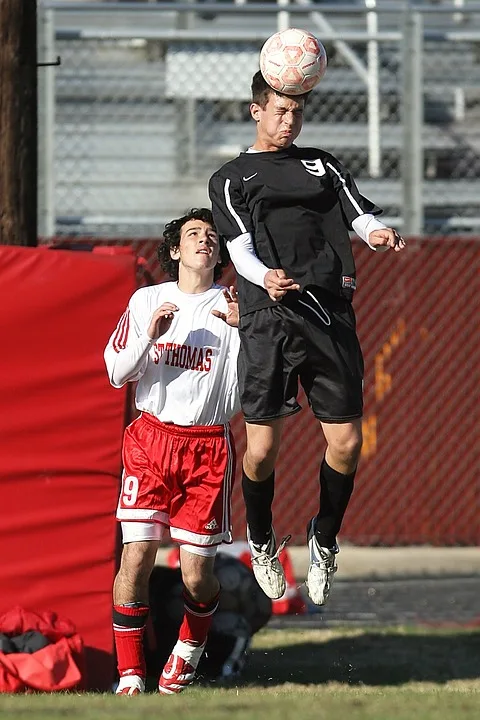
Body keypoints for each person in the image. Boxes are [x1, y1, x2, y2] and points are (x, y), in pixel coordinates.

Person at [208, 69, 406, 607]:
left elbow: (357, 213)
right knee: (262, 449)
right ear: (256, 111)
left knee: (346, 442)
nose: (289, 120)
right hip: (268, 316)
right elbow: (240, 248)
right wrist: (263, 277)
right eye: (279, 110)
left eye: (297, 111)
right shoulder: (231, 177)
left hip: (328, 311)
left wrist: (377, 233)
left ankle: (324, 536)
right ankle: (262, 537)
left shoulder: (323, 164)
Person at [104, 208, 240, 696]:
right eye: (194, 234)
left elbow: (257, 388)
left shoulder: (235, 306)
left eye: (211, 235)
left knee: (196, 572)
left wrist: (250, 330)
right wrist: (148, 337)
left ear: (220, 252)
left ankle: (190, 646)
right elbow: (117, 372)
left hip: (206, 446)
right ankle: (130, 675)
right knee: (136, 558)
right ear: (176, 250)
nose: (205, 240)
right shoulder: (147, 301)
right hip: (149, 440)